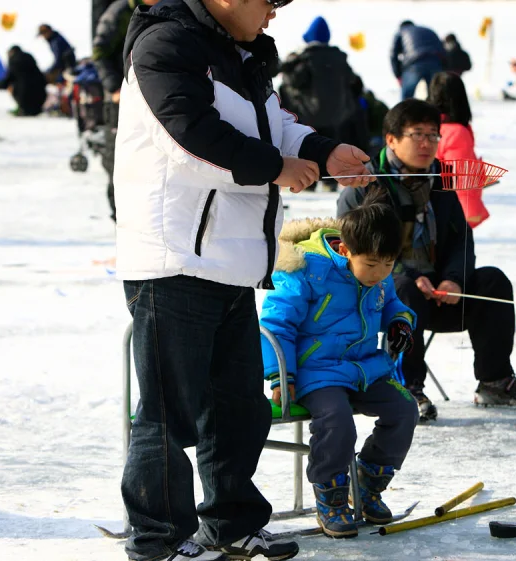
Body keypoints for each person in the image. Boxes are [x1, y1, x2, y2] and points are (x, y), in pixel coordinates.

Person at [114, 0, 374, 558]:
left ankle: (231, 524)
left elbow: (274, 126)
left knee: (237, 408)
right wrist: (276, 168)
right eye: (268, 2)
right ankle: (159, 538)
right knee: (169, 412)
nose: (274, 15)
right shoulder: (165, 45)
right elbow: (189, 138)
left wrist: (326, 152)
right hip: (174, 258)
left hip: (230, 263)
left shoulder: (241, 56)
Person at [337, 99, 516, 423]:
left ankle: (494, 380)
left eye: (433, 136)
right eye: (416, 134)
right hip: (381, 296)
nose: (426, 143)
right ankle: (407, 387)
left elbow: (462, 241)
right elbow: (354, 254)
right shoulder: (365, 187)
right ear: (391, 139)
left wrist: (454, 280)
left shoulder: (440, 184)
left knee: (493, 280)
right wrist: (405, 274)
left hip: (439, 293)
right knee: (404, 288)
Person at [260, 195, 418, 539]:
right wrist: (280, 374)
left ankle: (367, 483)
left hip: (364, 368)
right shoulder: (306, 271)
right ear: (345, 250)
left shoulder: (380, 278)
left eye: (389, 265)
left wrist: (401, 323)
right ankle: (330, 495)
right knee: (337, 422)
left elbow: (393, 305)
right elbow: (276, 324)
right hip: (316, 371)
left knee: (405, 409)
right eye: (372, 264)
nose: (380, 274)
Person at [278, 16, 367, 191]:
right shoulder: (340, 58)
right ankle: (330, 182)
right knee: (331, 147)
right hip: (337, 115)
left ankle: (309, 182)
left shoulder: (304, 58)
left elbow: (294, 82)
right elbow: (355, 83)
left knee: (311, 147)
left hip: (309, 115)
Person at [93, 0, 159, 222]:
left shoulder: (172, 6)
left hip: (154, 99)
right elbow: (99, 51)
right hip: (120, 100)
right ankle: (119, 224)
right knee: (118, 164)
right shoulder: (120, 11)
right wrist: (113, 87)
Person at [427, 72, 489, 228]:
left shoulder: (427, 127)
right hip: (450, 215)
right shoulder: (456, 133)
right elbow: (460, 178)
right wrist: (470, 212)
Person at [391, 21, 445, 100]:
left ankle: (406, 112)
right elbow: (442, 49)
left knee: (406, 100)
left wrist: (398, 75)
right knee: (436, 97)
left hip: (414, 64)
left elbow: (393, 55)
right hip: (435, 62)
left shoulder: (402, 31)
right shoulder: (428, 30)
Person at [0, 46, 47, 117]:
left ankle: (23, 108)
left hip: (25, 99)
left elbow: (6, 82)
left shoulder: (14, 61)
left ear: (11, 52)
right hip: (41, 98)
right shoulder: (30, 60)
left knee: (12, 85)